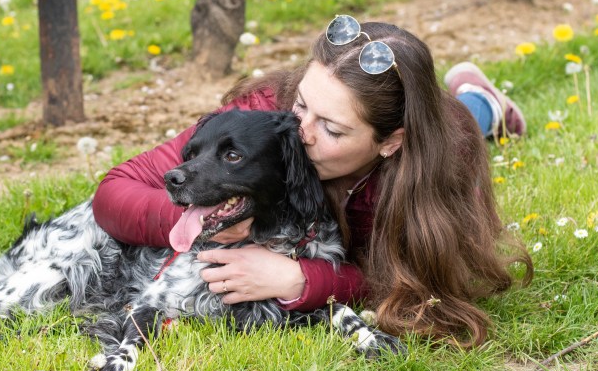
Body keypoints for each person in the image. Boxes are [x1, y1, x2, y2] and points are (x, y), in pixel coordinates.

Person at [92, 17, 531, 347]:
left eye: (333, 130)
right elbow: (115, 190)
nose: (302, 133)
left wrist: (304, 280)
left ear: (389, 143)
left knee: (467, 116)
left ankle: (482, 101)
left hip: (436, 135)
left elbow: (419, 281)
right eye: (303, 105)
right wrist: (208, 217)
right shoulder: (266, 115)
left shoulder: (441, 164)